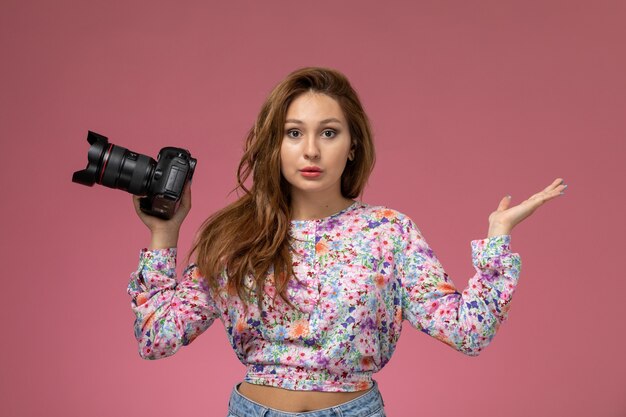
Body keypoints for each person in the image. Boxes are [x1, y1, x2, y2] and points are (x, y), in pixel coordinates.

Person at [127, 67, 567, 417]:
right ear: (274, 144)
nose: (311, 151)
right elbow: (156, 337)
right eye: (294, 132)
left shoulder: (388, 232)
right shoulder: (236, 237)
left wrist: (497, 239)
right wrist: (164, 233)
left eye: (329, 132)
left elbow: (469, 332)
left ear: (353, 145)